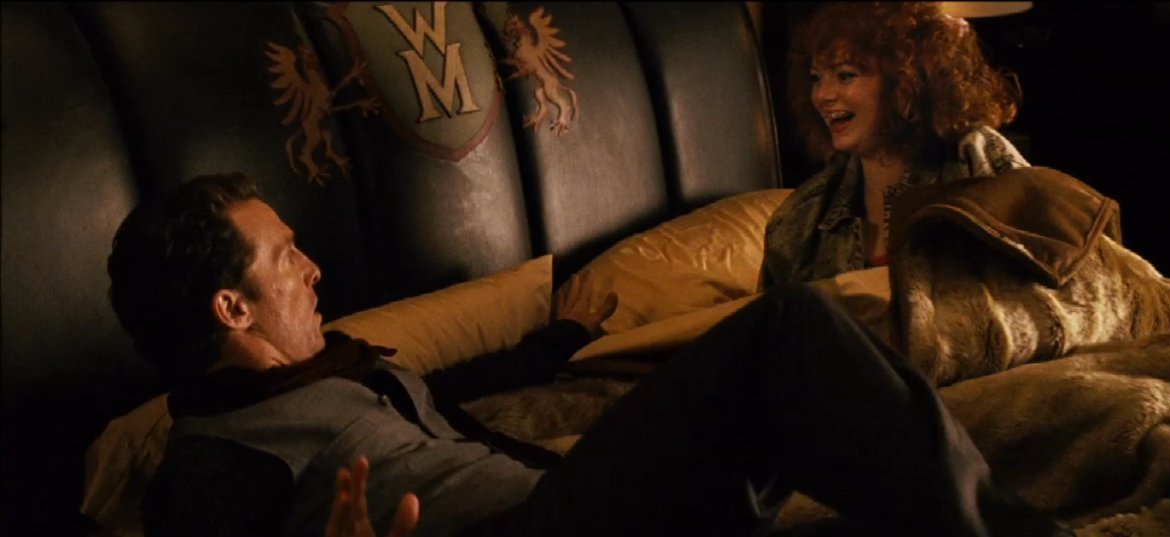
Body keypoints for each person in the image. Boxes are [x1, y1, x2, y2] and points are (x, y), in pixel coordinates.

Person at [110, 173, 1070, 536]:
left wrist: (563, 340)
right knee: (788, 330)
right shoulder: (211, 463)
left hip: (568, 504)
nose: (315, 269)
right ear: (232, 306)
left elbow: (453, 398)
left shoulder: (344, 366)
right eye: (287, 257)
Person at [760, 1, 1029, 289]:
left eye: (845, 75)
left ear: (906, 79)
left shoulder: (975, 156)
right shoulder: (799, 219)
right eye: (816, 79)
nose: (822, 95)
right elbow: (769, 314)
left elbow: (1046, 281)